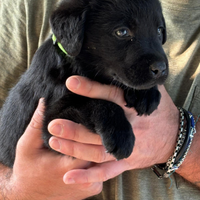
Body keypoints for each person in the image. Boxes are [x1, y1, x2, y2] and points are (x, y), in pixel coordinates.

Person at [0, 0, 199, 199]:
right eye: (122, 32)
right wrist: (16, 189)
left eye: (157, 31)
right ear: (71, 33)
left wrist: (175, 141)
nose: (158, 62)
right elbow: (55, 122)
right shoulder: (30, 8)